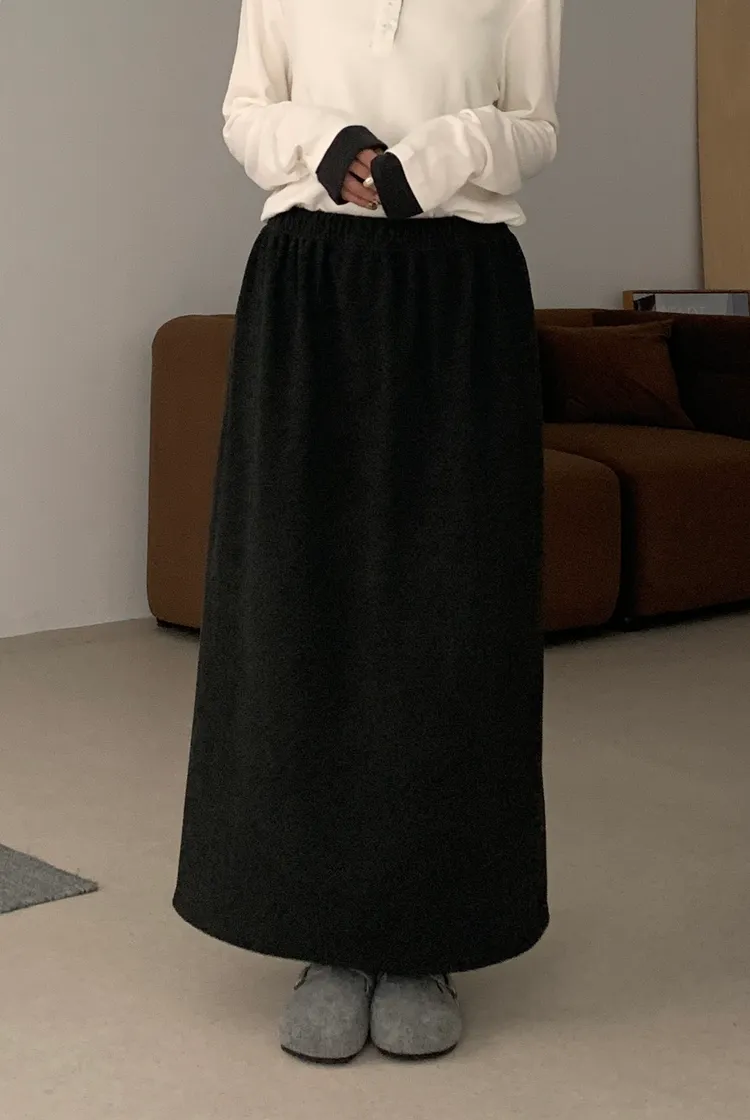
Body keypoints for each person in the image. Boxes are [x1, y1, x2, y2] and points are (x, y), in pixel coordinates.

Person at [174, 0, 564, 1064]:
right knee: (299, 605)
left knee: (453, 610)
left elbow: (536, 125)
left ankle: (425, 935)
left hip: (460, 289)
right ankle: (327, 936)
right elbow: (244, 111)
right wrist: (328, 145)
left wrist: (437, 156)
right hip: (311, 288)